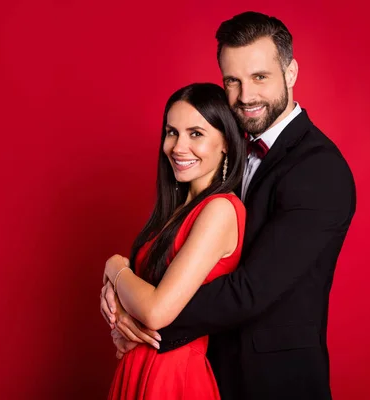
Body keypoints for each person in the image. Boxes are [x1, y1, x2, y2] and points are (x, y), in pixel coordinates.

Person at [102, 11, 356, 400]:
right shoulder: (221, 152)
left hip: (277, 382)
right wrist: (121, 285)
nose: (245, 96)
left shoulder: (320, 169)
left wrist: (144, 315)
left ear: (290, 73)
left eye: (259, 77)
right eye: (232, 81)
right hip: (209, 370)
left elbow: (250, 289)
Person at [102, 82, 247, 399]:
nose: (178, 146)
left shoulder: (220, 209)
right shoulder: (177, 209)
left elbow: (156, 311)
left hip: (171, 375)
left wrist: (114, 267)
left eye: (196, 133)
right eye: (172, 132)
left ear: (226, 142)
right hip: (137, 364)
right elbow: (142, 300)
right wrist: (121, 313)